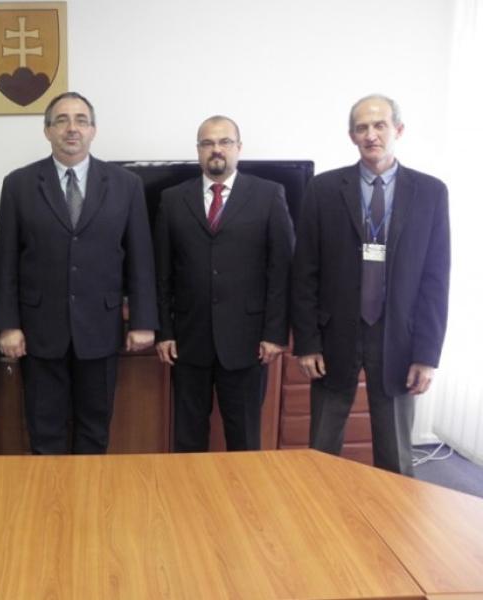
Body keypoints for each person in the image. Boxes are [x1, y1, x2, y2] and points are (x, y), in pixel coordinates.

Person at [291, 94, 450, 475]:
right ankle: (316, 507)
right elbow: (305, 271)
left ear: (399, 130)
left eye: (380, 125)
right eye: (361, 127)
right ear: (352, 136)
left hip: (398, 336)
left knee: (395, 453)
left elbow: (436, 278)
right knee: (322, 446)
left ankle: (395, 510)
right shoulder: (323, 189)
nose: (371, 135)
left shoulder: (430, 193)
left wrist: (427, 355)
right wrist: (307, 343)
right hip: (334, 334)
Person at [0, 91, 158, 454]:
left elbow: (141, 256)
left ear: (93, 130)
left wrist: (144, 320)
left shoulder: (125, 184)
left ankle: (88, 491)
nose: (72, 128)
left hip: (101, 327)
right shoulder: (19, 184)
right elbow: (6, 260)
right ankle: (48, 492)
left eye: (81, 120)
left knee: (94, 430)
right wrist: (8, 325)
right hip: (39, 331)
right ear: (47, 130)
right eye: (62, 120)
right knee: (43, 430)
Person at [155, 116, 294, 452]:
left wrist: (274, 333)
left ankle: (242, 490)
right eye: (207, 143)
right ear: (198, 150)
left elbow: (282, 270)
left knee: (244, 438)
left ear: (239, 148)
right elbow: (161, 272)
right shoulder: (172, 199)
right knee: (187, 438)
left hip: (248, 342)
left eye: (224, 142)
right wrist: (164, 332)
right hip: (188, 341)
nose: (216, 149)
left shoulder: (269, 195)